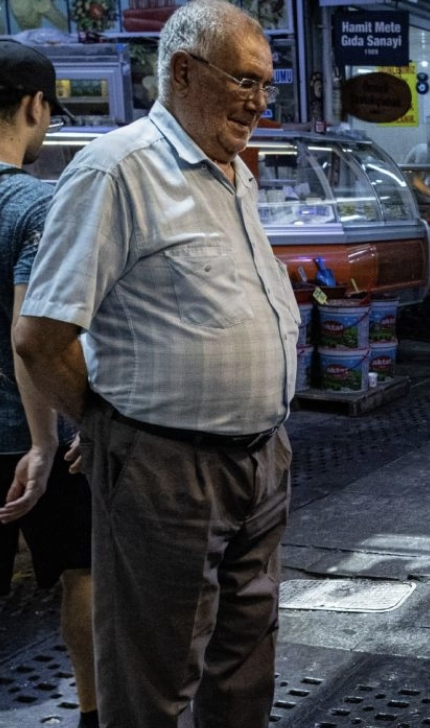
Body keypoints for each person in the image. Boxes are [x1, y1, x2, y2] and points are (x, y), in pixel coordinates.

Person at [14, 2, 299, 725]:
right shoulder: (118, 171)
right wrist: (112, 431)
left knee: (243, 676)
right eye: (245, 83)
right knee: (153, 683)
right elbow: (41, 336)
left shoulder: (235, 175)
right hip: (167, 472)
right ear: (182, 71)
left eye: (268, 87)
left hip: (260, 463)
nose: (260, 104)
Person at [0, 40, 98, 728]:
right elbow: (31, 335)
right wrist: (47, 439)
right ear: (35, 105)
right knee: (84, 572)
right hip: (26, 438)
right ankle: (96, 713)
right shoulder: (37, 202)